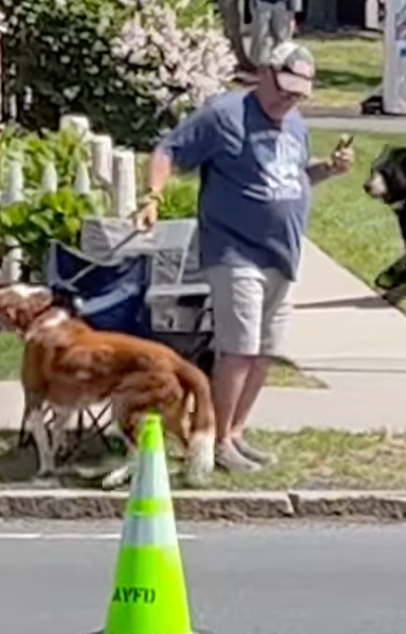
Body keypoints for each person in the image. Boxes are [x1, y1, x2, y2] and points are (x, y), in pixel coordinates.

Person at [136, 42, 355, 473]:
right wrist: (152, 197)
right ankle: (213, 440)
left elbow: (290, 179)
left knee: (265, 350)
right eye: (284, 88)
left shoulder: (295, 125)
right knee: (237, 348)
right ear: (264, 73)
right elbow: (168, 151)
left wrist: (327, 169)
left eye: (299, 93)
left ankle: (235, 432)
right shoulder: (225, 115)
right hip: (235, 250)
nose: (289, 99)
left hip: (283, 255)